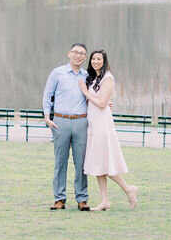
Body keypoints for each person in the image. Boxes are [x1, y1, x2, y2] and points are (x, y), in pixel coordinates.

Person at [79, 50, 138, 211]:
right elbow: (96, 100)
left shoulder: (108, 78)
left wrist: (85, 92)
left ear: (104, 61)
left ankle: (128, 189)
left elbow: (102, 103)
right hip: (93, 124)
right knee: (99, 163)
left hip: (102, 125)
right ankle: (105, 201)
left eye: (99, 59)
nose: (95, 61)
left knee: (106, 163)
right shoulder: (93, 78)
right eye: (93, 59)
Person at [42, 43, 90, 211]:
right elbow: (48, 95)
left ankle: (82, 199)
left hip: (81, 122)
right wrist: (47, 117)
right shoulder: (57, 73)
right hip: (60, 121)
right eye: (75, 52)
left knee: (81, 162)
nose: (78, 56)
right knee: (60, 162)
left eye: (82, 53)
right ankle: (59, 199)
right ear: (69, 53)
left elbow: (96, 95)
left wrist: (108, 104)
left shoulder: (88, 75)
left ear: (85, 57)